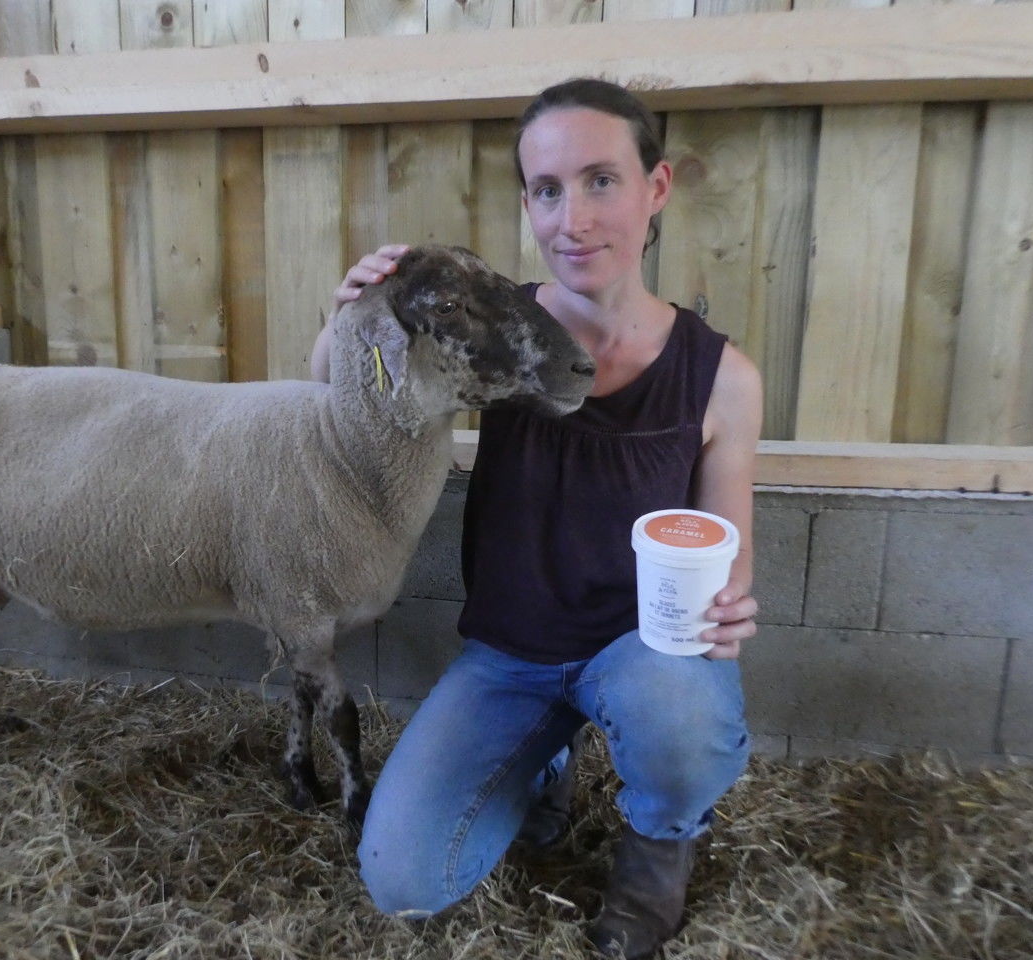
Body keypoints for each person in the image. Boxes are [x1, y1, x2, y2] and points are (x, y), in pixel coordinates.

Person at [310, 77, 761, 959]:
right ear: (527, 202)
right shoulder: (489, 327)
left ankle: (655, 860)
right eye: (548, 191)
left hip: (644, 647)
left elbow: (727, 549)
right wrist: (351, 317)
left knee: (678, 710)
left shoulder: (722, 377)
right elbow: (347, 390)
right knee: (404, 882)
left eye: (602, 181)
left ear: (655, 188)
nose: (574, 219)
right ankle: (544, 765)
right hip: (510, 655)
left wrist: (730, 604)